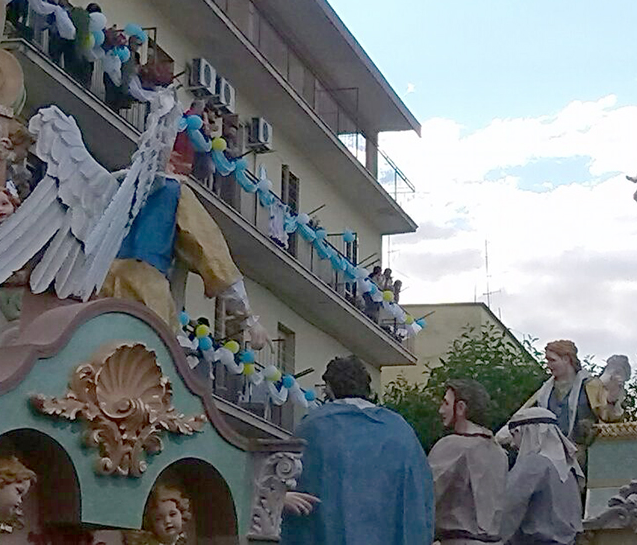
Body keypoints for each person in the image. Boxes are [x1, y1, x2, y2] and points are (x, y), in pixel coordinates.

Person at [99, 131, 268, 346]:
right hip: (145, 287)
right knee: (153, 363)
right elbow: (211, 254)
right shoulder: (174, 191)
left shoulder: (110, 185)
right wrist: (248, 319)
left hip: (98, 287)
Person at [280, 355, 434, 545]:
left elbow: (278, 478)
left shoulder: (314, 427)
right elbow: (421, 493)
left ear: (329, 388)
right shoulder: (401, 431)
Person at [499, 340, 627, 475]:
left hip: (582, 456)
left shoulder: (590, 385)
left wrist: (612, 399)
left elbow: (608, 417)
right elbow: (523, 415)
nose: (548, 365)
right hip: (548, 453)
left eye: (552, 360)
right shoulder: (545, 390)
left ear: (566, 359)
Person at [428, 378, 507, 545]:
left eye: (446, 404)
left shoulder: (452, 445)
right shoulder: (499, 452)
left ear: (461, 408)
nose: (441, 410)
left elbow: (425, 494)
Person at [499, 408, 583, 545]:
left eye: (515, 434)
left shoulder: (533, 464)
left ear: (530, 431)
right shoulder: (568, 468)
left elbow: (508, 508)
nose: (513, 443)